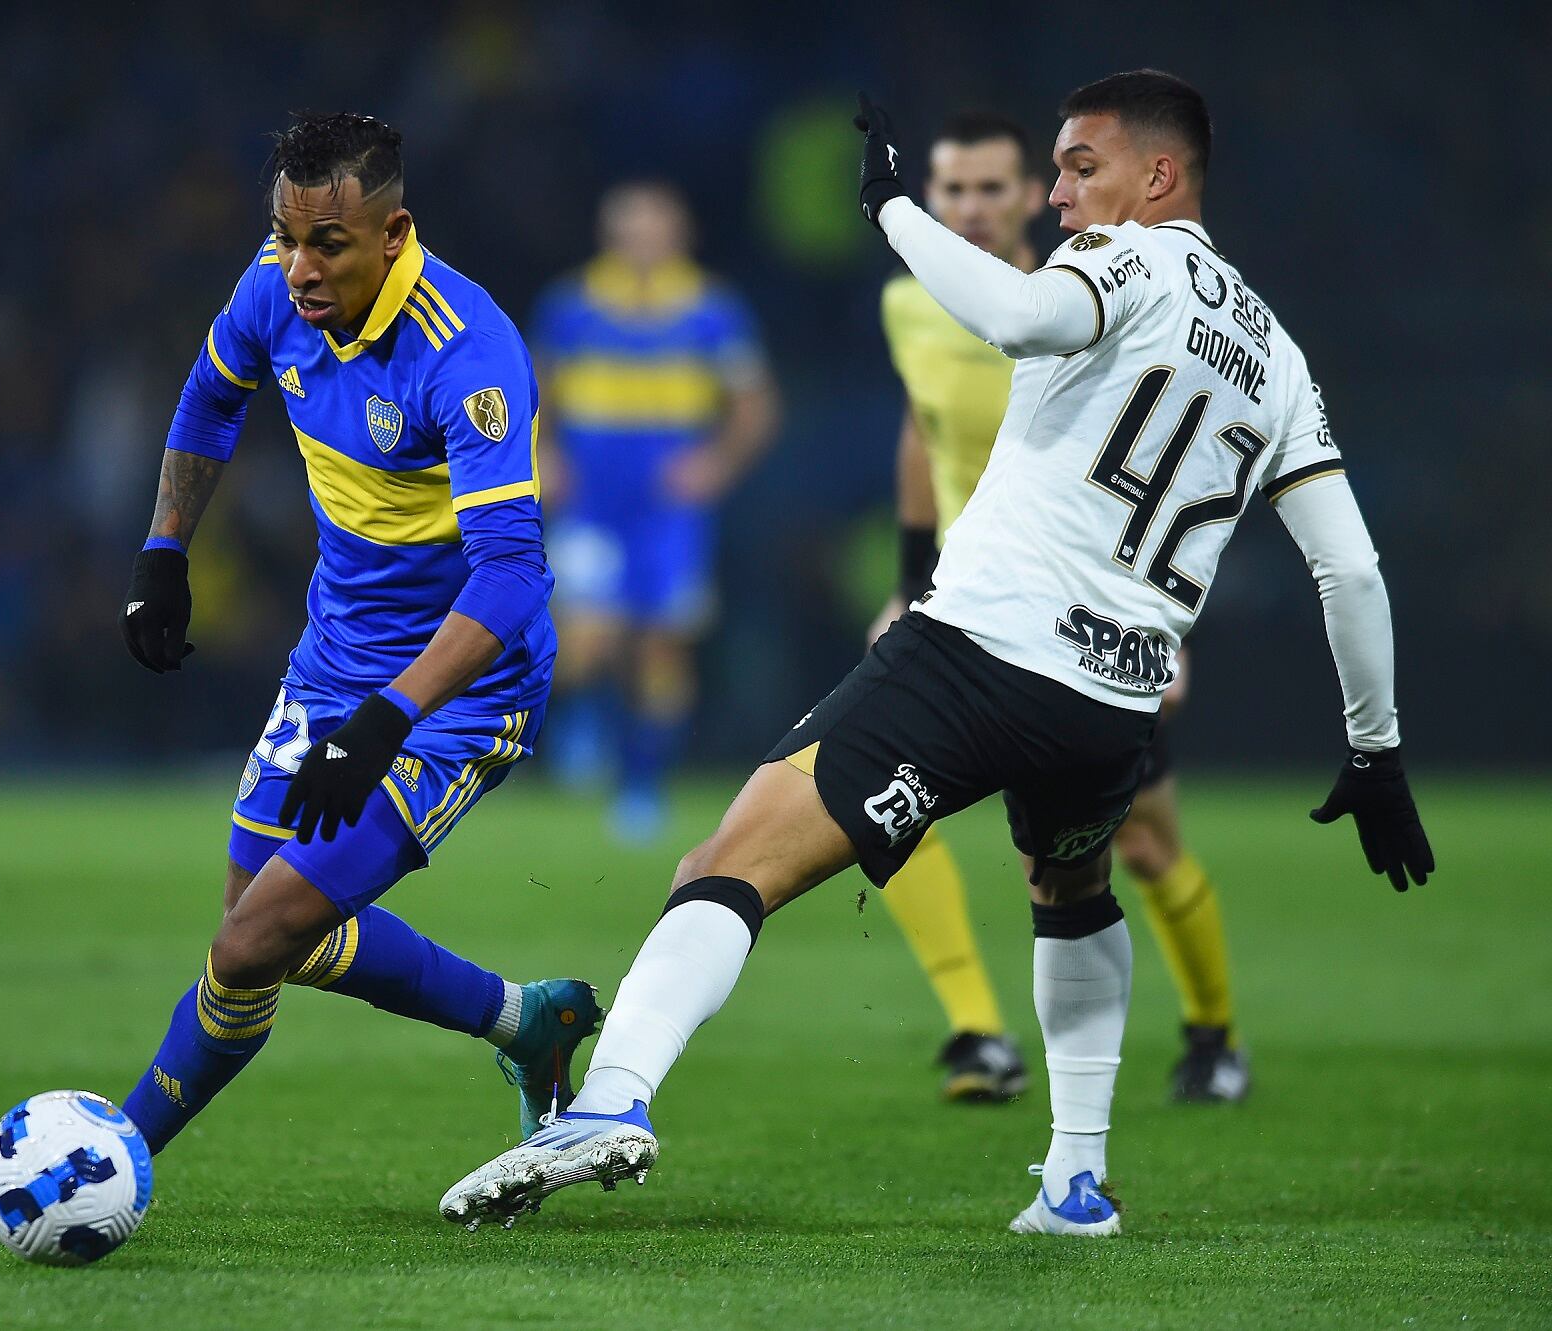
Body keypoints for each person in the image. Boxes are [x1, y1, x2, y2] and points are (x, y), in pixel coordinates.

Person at [441, 71, 1432, 1236]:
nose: (1058, 194)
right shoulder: (1275, 355)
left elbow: (1015, 317)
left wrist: (889, 211)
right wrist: (1375, 751)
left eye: (1080, 166)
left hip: (977, 655)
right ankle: (1073, 1180)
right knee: (1069, 894)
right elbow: (1351, 571)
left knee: (725, 861)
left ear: (1158, 177)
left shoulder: (1133, 260)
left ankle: (607, 1099)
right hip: (1113, 702)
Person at [110, 112, 598, 1162]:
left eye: (325, 242)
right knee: (258, 927)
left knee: (250, 938)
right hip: (335, 654)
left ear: (392, 232)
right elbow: (207, 399)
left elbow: (512, 575)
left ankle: (116, 1151)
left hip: (463, 689)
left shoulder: (465, 351)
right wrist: (164, 552)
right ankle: (526, 1019)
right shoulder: (269, 289)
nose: (297, 267)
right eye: (285, 236)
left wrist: (387, 719)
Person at [870, 112, 1248, 1104]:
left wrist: (1165, 622)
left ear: (1030, 194)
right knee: (876, 803)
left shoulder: (1093, 300)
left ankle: (1213, 1034)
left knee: (1139, 840)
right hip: (966, 606)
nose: (971, 208)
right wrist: (909, 578)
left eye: (992, 188)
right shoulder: (912, 304)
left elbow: (1179, 459)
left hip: (1091, 618)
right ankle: (973, 1032)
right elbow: (921, 432)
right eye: (951, 190)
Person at [531, 183, 778, 840]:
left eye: (654, 230)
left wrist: (715, 465)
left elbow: (755, 407)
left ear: (679, 235)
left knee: (661, 645)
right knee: (585, 641)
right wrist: (544, 456)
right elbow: (534, 396)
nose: (642, 243)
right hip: (591, 499)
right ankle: (586, 721)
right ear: (609, 236)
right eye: (629, 230)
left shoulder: (711, 311)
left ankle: (641, 784)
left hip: (667, 507)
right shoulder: (573, 305)